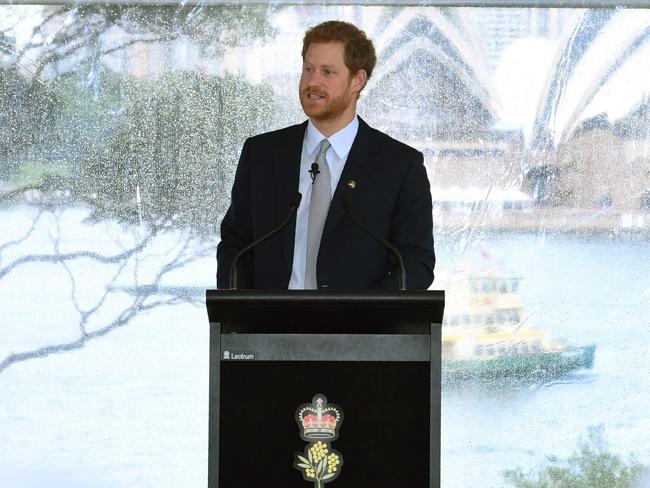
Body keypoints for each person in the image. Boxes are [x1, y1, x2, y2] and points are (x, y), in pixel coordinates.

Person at [217, 20, 434, 290]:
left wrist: (362, 318)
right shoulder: (261, 155)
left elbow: (415, 265)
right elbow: (235, 247)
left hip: (359, 329)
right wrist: (240, 318)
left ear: (357, 80)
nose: (313, 81)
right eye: (308, 69)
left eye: (328, 72)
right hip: (270, 328)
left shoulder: (400, 166)